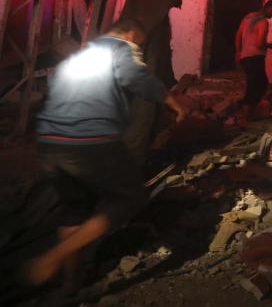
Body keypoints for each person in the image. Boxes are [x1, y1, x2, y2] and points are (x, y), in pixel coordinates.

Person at [26, 19, 186, 287]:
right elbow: (137, 77)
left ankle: (70, 282)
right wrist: (173, 102)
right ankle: (50, 259)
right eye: (140, 44)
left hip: (50, 142)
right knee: (129, 199)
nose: (139, 48)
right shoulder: (120, 48)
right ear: (132, 34)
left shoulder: (79, 55)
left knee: (74, 210)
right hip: (88, 140)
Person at [235, 0, 272, 122]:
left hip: (245, 57)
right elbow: (259, 44)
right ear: (270, 8)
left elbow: (238, 34)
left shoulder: (248, 17)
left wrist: (238, 52)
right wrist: (270, 45)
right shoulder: (263, 22)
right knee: (256, 87)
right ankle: (245, 119)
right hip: (255, 58)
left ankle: (250, 115)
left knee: (258, 84)